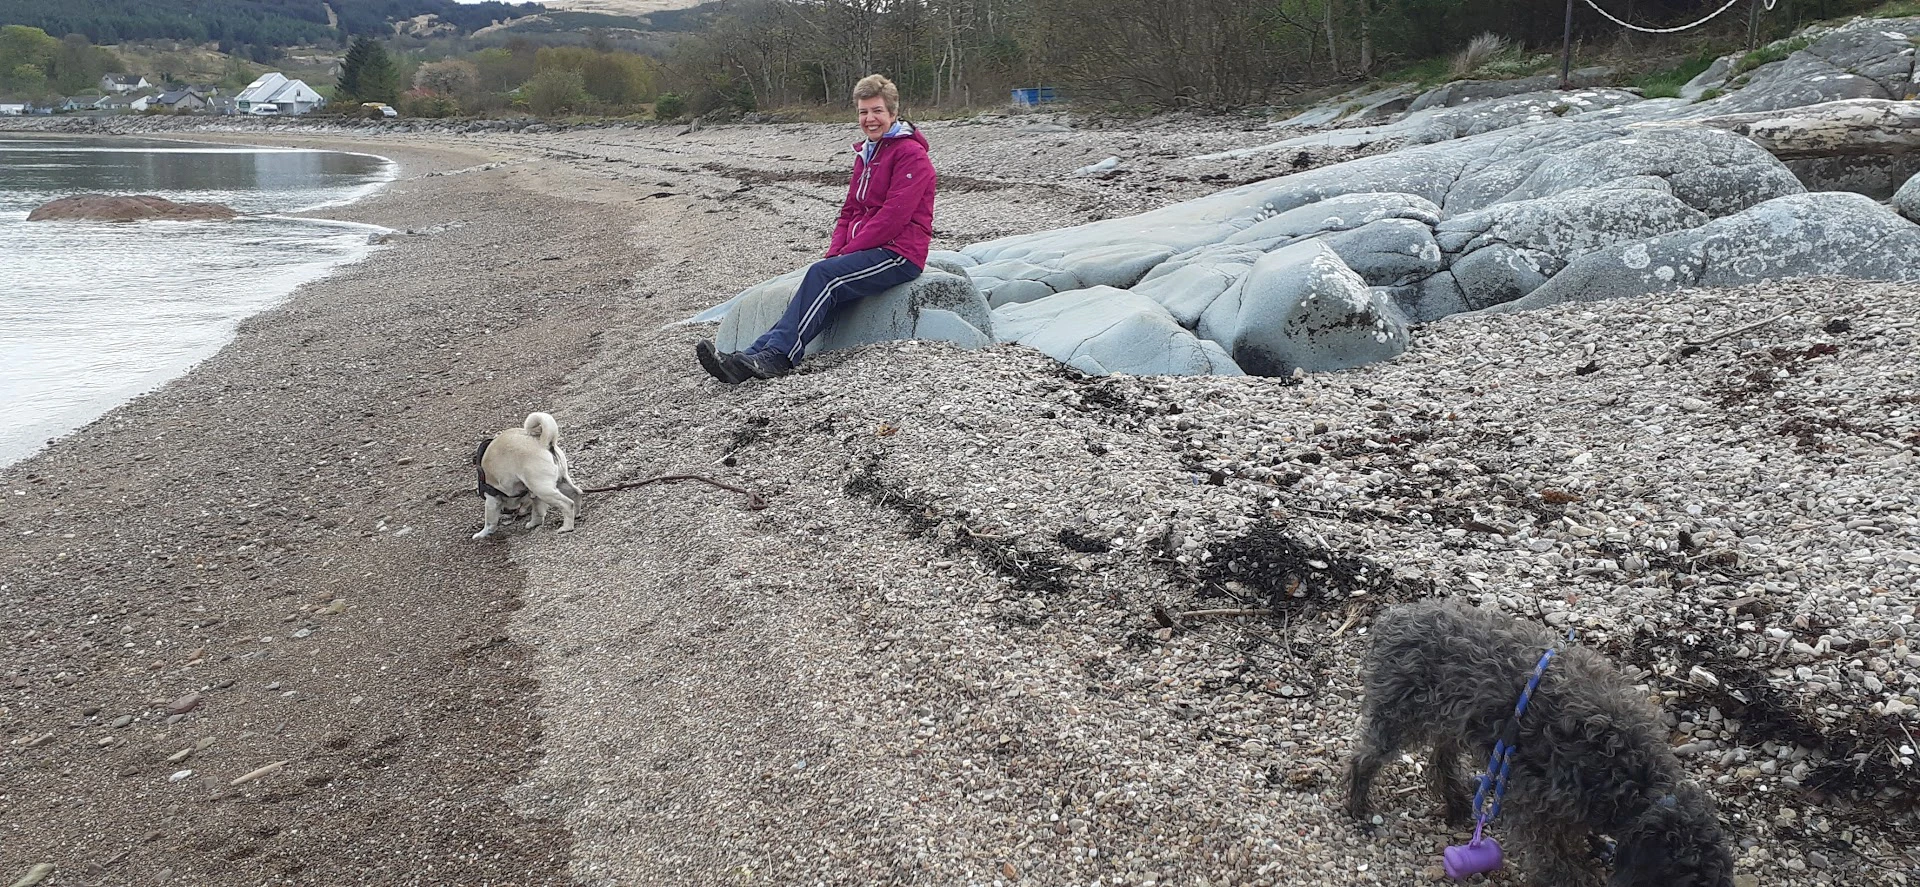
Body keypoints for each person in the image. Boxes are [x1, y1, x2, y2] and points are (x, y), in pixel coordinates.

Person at [696, 74, 937, 383]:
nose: (870, 119)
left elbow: (893, 218)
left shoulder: (911, 155)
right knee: (817, 278)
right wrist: (835, 253)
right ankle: (747, 358)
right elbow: (850, 210)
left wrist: (844, 255)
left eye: (877, 111)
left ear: (893, 112)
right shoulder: (867, 154)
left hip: (898, 253)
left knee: (822, 276)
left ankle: (779, 358)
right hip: (870, 249)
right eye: (863, 112)